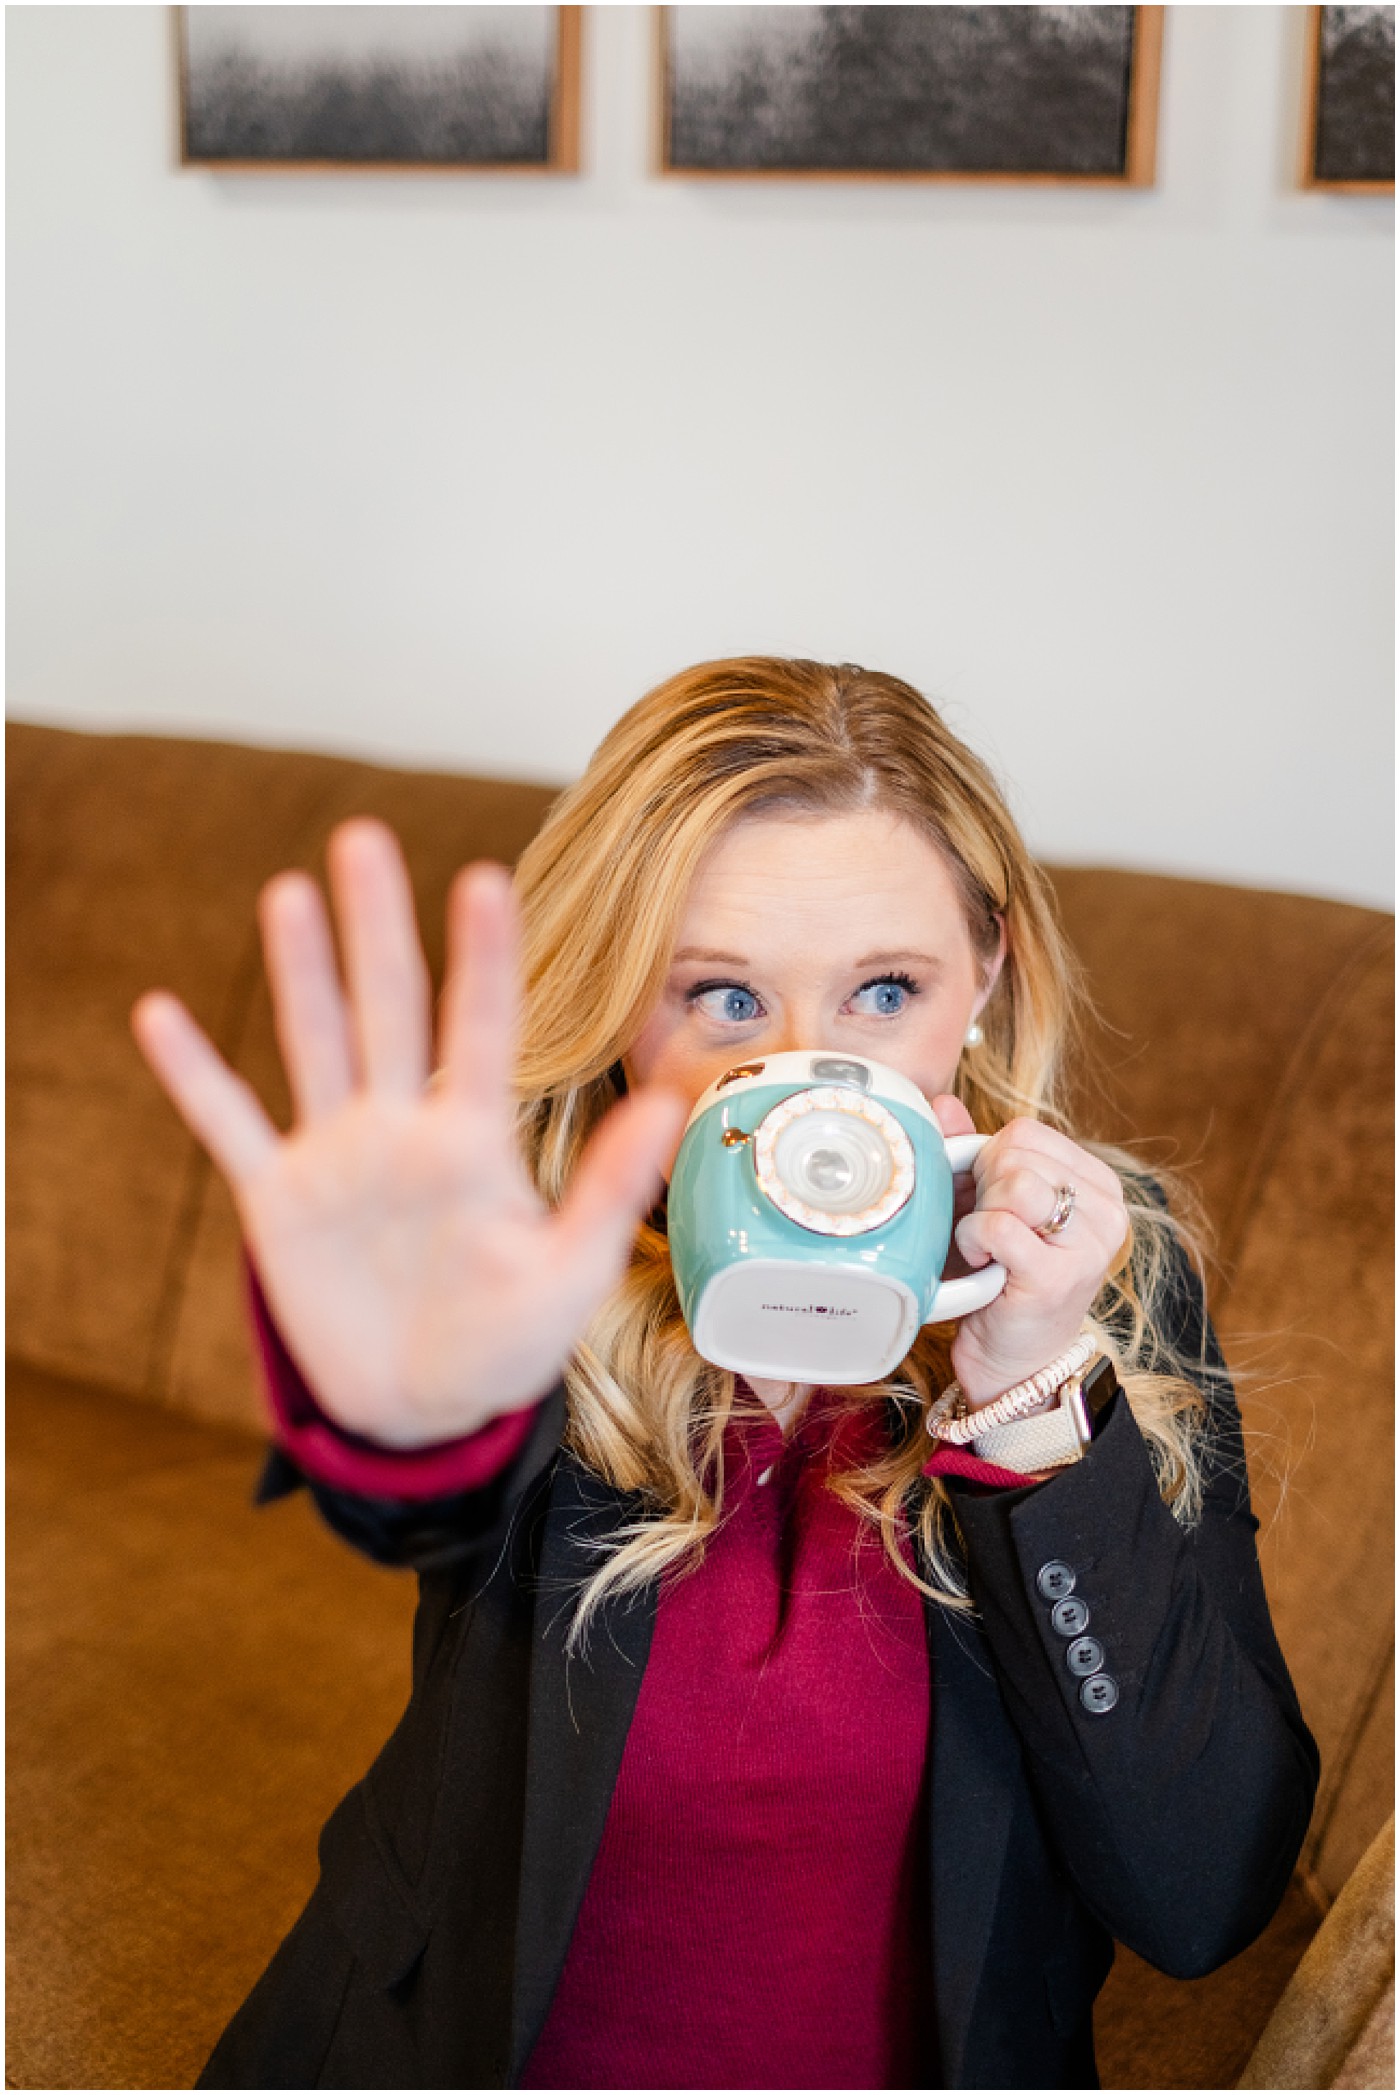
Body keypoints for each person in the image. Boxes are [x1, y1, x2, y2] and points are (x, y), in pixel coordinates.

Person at [132, 657, 1317, 2091]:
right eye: (723, 1000)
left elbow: (1203, 1899)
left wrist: (1027, 1398)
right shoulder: (532, 1252)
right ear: (620, 1014)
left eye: (887, 989)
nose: (813, 1081)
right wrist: (394, 1399)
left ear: (987, 975)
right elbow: (421, 1480)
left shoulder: (1105, 1277)